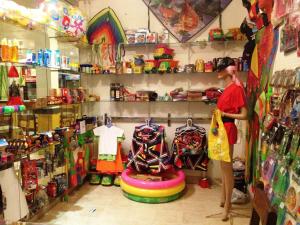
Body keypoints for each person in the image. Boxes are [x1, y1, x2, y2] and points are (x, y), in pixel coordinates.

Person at [215, 57, 248, 221]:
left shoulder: (236, 89)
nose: (217, 72)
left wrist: (226, 114)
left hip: (228, 129)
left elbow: (244, 114)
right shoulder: (227, 88)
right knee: (223, 167)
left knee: (227, 170)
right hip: (221, 130)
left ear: (227, 71)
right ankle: (223, 199)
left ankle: (228, 205)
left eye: (220, 69)